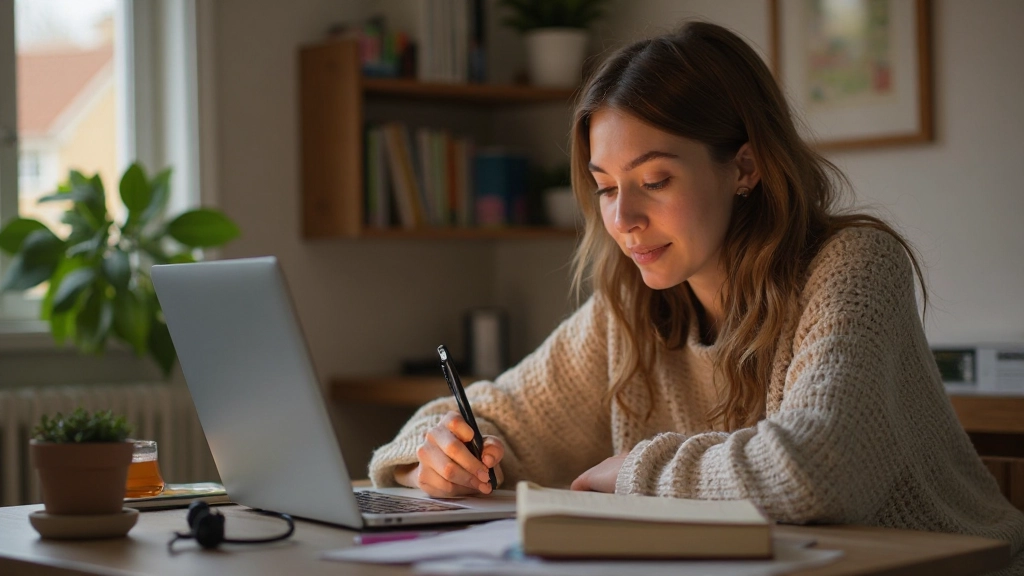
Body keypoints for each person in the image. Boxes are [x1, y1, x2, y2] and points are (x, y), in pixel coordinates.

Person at [369, 21, 1024, 571]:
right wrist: (434, 458)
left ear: (744, 167)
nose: (621, 218)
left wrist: (635, 472)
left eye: (654, 180)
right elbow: (498, 419)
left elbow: (815, 473)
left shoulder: (853, 267)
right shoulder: (630, 308)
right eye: (605, 185)